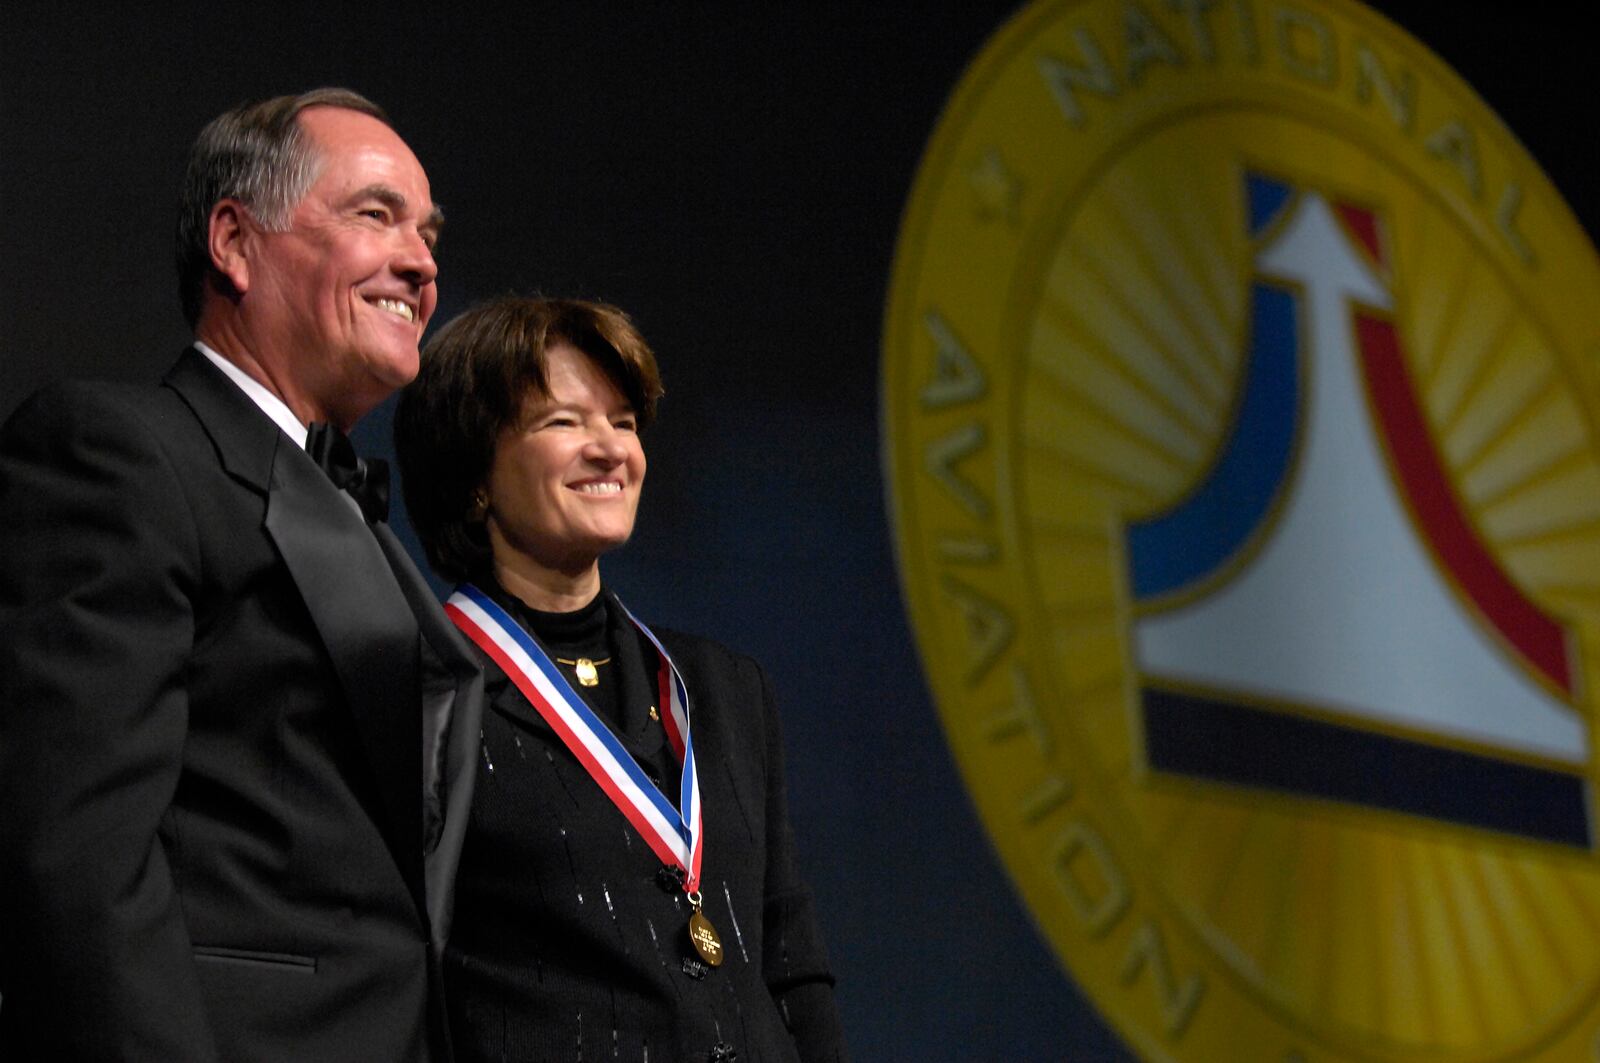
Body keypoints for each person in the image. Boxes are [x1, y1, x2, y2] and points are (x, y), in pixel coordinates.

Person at [0, 89, 482, 1062]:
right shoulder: (120, 454)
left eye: (427, 232)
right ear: (234, 240)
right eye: (375, 215)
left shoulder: (356, 512)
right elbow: (80, 866)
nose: (423, 263)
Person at [396, 296, 847, 1062]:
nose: (610, 449)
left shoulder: (724, 688)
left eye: (625, 422)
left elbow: (791, 962)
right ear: (475, 475)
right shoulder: (424, 694)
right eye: (564, 422)